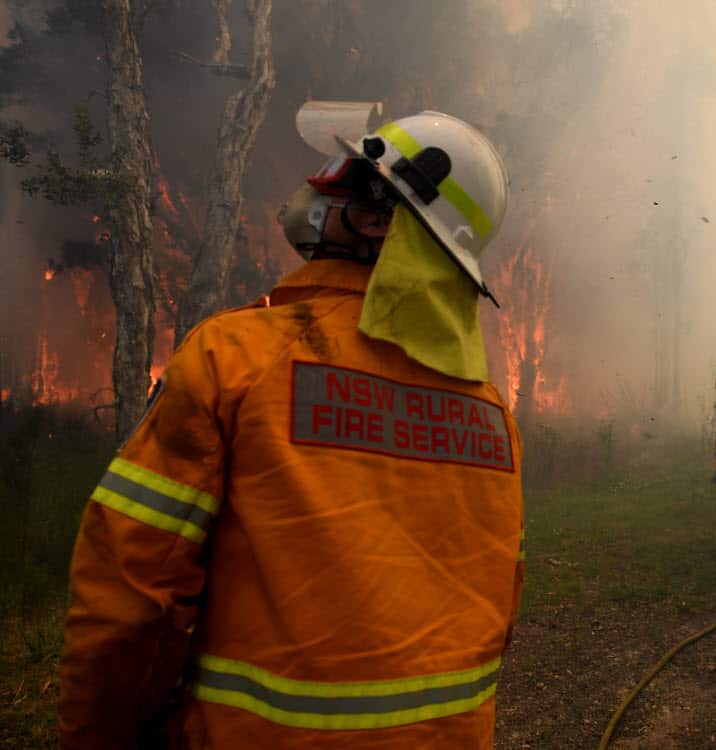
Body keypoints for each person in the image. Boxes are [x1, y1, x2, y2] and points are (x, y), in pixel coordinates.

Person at [58, 110, 524, 749]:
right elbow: (498, 609)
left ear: (373, 215)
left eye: (338, 173)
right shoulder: (491, 412)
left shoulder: (237, 358)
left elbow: (134, 596)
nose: (315, 181)